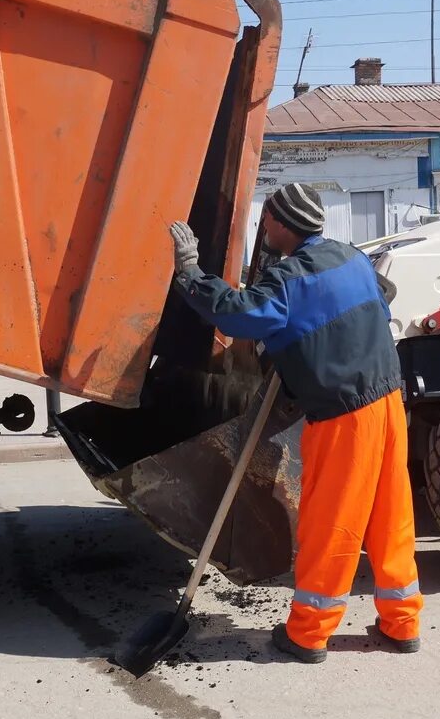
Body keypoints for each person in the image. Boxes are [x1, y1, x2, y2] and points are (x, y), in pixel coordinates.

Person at [168, 182, 422, 663]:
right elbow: (379, 300)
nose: (264, 229)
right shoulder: (350, 258)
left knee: (332, 523)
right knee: (391, 516)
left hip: (345, 413)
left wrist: (189, 273)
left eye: (267, 221)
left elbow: (236, 314)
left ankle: (308, 634)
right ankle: (402, 622)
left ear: (281, 225)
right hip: (390, 401)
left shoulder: (289, 279)